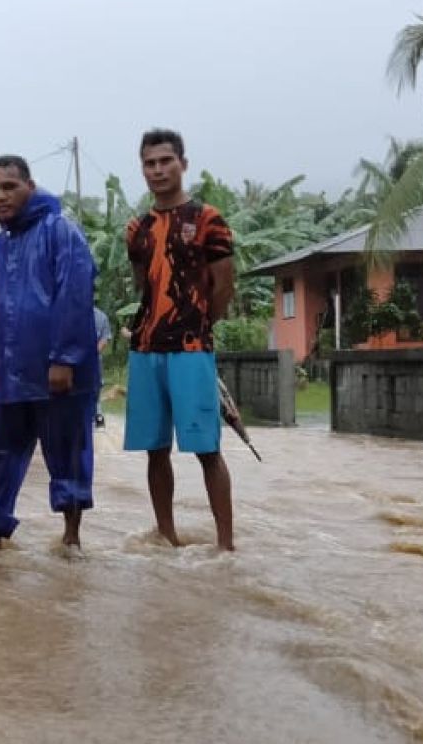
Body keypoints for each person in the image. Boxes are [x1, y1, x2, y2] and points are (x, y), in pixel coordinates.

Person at [0, 156, 99, 552]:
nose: (1, 196)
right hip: (10, 371)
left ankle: (71, 536)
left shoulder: (60, 231)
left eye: (9, 186)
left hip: (58, 370)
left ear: (30, 186)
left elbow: (74, 295)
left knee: (67, 451)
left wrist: (64, 359)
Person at [124, 129, 236, 551]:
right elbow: (143, 287)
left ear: (182, 164)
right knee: (155, 450)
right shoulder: (136, 229)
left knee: (206, 448)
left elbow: (223, 286)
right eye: (149, 163)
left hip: (191, 347)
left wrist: (202, 326)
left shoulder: (208, 219)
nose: (157, 170)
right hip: (146, 348)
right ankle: (166, 535)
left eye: (165, 161)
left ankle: (226, 546)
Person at [93, 307, 112, 428]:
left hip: (94, 358)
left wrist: (93, 353)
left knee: (96, 386)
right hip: (74, 357)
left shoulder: (101, 316)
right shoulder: (70, 312)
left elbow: (104, 339)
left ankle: (98, 414)